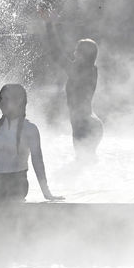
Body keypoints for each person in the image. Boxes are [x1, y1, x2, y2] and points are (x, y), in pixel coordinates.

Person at [43, 15, 103, 160]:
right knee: (88, 163)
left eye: (77, 51)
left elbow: (56, 53)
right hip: (92, 123)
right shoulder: (92, 70)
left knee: (82, 164)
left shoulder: (77, 72)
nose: (74, 53)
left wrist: (49, 25)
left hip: (83, 126)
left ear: (83, 55)